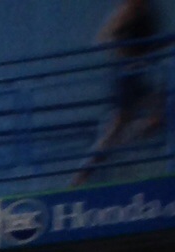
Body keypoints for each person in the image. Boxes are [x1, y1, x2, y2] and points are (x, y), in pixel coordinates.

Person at [75, 0, 165, 185]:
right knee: (117, 125)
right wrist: (123, 53)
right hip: (127, 76)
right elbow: (104, 37)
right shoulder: (127, 12)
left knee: (155, 117)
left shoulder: (147, 14)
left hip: (139, 74)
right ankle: (84, 172)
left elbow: (151, 45)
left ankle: (109, 151)